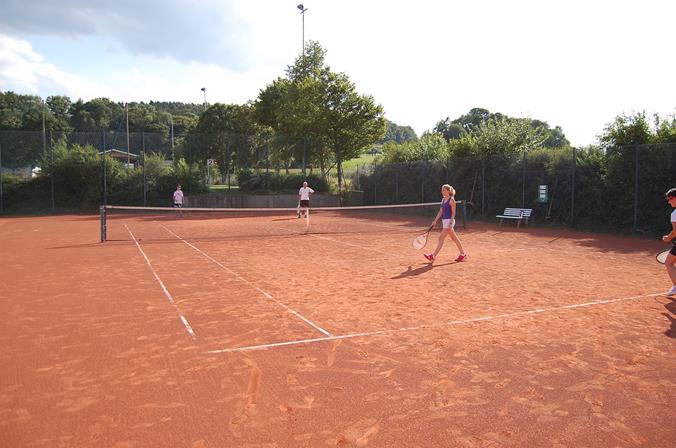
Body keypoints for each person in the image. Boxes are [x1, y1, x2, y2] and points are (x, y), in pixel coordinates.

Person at [424, 184, 468, 263]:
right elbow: (441, 211)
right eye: (442, 190)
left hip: (449, 221)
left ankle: (433, 256)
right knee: (454, 238)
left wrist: (450, 223)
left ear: (448, 191)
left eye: (444, 190)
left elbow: (453, 213)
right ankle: (463, 254)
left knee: (441, 238)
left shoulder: (452, 200)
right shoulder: (443, 200)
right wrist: (435, 221)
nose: (442, 191)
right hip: (444, 221)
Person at [662, 188, 676, 295]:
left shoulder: (674, 213)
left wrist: (668, 238)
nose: (669, 201)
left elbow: (675, 231)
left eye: (670, 198)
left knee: (668, 262)